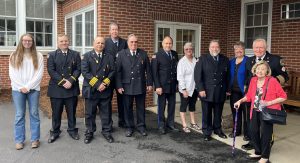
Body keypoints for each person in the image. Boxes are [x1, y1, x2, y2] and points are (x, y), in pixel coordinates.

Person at [234, 61, 287, 163]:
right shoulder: (253, 80)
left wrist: (269, 102)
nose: (260, 71)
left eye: (263, 69)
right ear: (255, 70)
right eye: (258, 69)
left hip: (267, 111)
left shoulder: (272, 81)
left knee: (266, 134)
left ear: (267, 71)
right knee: (253, 131)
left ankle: (265, 156)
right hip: (255, 110)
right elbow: (249, 96)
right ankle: (258, 152)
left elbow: (283, 96)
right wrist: (240, 101)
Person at [242, 38, 289, 150]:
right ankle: (253, 141)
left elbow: (284, 76)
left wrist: (272, 83)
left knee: (267, 121)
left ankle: (267, 143)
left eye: (261, 47)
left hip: (268, 98)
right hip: (253, 96)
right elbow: (248, 77)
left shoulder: (275, 60)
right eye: (256, 47)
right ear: (253, 48)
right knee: (252, 121)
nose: (258, 49)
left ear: (266, 47)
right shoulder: (249, 60)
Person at [9, 33, 44, 149]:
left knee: (34, 113)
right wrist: (21, 87)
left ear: (33, 42)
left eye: (29, 41)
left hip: (33, 89)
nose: (27, 42)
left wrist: (28, 87)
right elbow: (12, 74)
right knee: (19, 115)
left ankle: (35, 139)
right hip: (17, 90)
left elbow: (39, 74)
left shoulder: (38, 56)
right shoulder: (14, 55)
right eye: (25, 40)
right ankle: (19, 140)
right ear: (21, 41)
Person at [116, 34, 152, 137]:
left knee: (141, 107)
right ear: (128, 43)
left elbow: (148, 70)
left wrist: (149, 83)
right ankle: (129, 127)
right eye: (131, 42)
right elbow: (118, 72)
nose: (134, 44)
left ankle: (141, 126)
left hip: (140, 85)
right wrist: (119, 86)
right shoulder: (121, 54)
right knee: (127, 108)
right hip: (126, 85)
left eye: (135, 42)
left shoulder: (143, 54)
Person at [47, 34, 81, 143]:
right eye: (61, 41)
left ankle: (72, 130)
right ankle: (55, 132)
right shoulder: (52, 55)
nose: (64, 43)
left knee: (71, 112)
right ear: (58, 43)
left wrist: (71, 80)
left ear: (68, 41)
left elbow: (78, 69)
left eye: (66, 41)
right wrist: (63, 82)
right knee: (56, 113)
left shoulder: (75, 54)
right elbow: (51, 71)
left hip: (71, 88)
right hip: (57, 88)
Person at [81, 37, 115, 143]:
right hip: (91, 89)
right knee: (90, 113)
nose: (100, 45)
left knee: (106, 112)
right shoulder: (86, 56)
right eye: (98, 43)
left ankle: (106, 131)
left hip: (105, 89)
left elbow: (113, 71)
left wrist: (104, 84)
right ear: (93, 44)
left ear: (104, 45)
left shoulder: (109, 56)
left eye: (102, 43)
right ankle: (89, 132)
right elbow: (85, 72)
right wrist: (97, 84)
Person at [194, 39, 229, 141]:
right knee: (207, 112)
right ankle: (206, 131)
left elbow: (227, 76)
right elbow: (197, 76)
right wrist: (200, 89)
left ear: (219, 48)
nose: (215, 49)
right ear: (209, 48)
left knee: (218, 112)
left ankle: (217, 129)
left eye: (216, 47)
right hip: (206, 91)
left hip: (220, 90)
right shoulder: (202, 59)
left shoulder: (224, 59)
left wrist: (227, 89)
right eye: (213, 47)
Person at [151, 36, 179, 134]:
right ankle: (161, 125)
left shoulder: (175, 54)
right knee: (161, 107)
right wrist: (157, 86)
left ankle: (170, 124)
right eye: (166, 43)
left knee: (172, 106)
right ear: (162, 44)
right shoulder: (157, 55)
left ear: (172, 44)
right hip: (162, 87)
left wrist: (177, 84)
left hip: (172, 86)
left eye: (170, 43)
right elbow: (154, 72)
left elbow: (176, 70)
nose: (168, 45)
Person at [104, 22, 128, 128]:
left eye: (116, 29)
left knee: (121, 100)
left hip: (121, 76)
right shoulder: (105, 42)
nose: (114, 31)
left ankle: (122, 120)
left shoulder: (124, 42)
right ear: (109, 31)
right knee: (107, 100)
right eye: (112, 29)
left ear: (119, 30)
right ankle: (109, 123)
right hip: (109, 76)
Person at [177, 42, 200, 133]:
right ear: (184, 51)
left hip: (194, 87)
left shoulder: (196, 60)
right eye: (186, 49)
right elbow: (180, 77)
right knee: (184, 105)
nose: (189, 50)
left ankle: (193, 123)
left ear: (192, 50)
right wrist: (183, 89)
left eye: (190, 49)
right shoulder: (182, 62)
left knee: (192, 105)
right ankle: (184, 125)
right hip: (185, 88)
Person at [228, 41, 248, 139]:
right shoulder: (231, 61)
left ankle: (248, 134)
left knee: (246, 113)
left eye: (241, 49)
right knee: (236, 111)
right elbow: (228, 76)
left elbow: (251, 76)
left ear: (244, 50)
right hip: (234, 91)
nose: (238, 51)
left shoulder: (249, 60)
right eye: (236, 49)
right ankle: (236, 131)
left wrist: (246, 84)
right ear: (234, 50)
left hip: (245, 92)